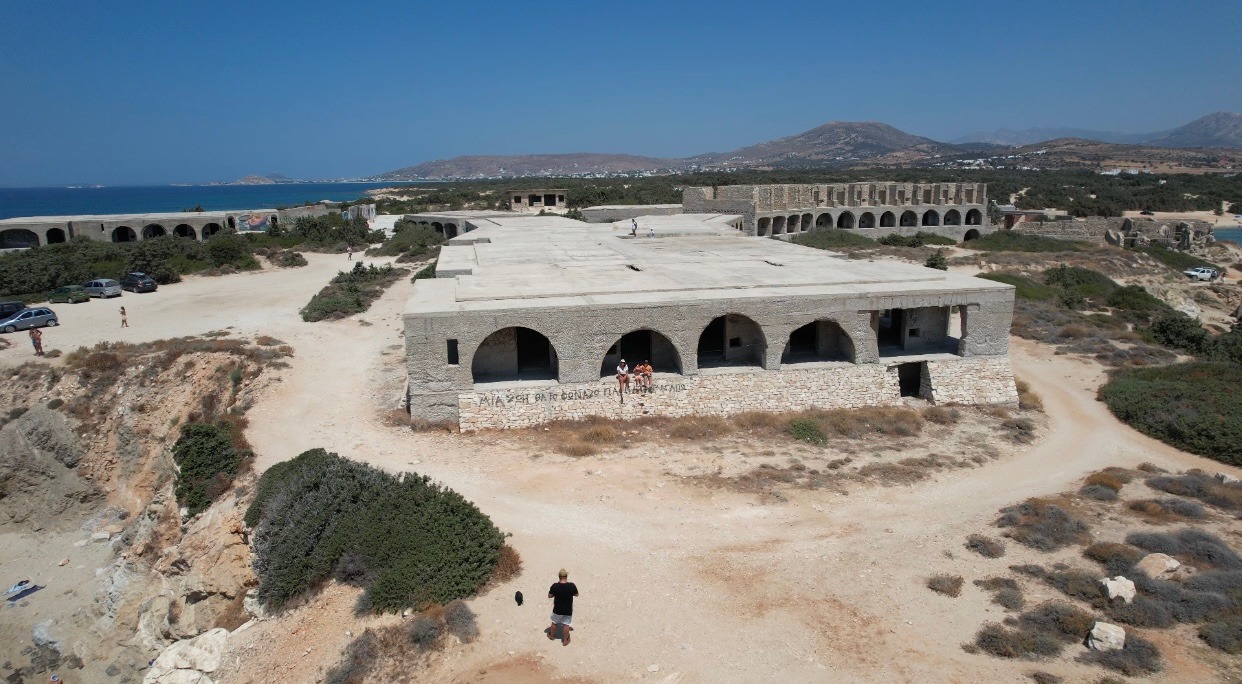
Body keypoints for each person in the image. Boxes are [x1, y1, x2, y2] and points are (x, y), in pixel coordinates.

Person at [547, 568, 579, 645]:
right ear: (566, 576)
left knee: (554, 622)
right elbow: (577, 594)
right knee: (566, 624)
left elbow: (549, 596)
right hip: (568, 610)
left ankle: (551, 635)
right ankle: (565, 640)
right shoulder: (572, 586)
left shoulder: (555, 586)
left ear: (559, 576)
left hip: (557, 609)